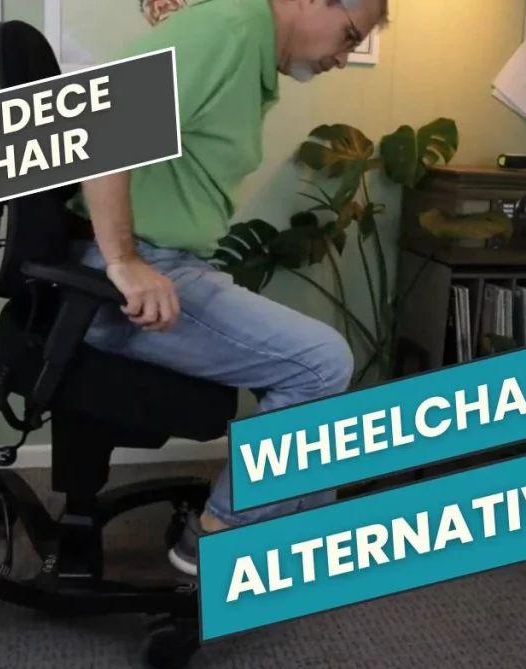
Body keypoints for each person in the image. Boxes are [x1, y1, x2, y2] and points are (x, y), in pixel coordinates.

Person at [70, 0, 390, 576]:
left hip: (172, 262)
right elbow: (103, 119)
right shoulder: (233, 26)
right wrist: (123, 259)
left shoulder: (246, 45)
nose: (343, 57)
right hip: (127, 280)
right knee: (320, 364)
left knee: (315, 383)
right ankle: (215, 541)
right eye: (347, 35)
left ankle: (301, 546)